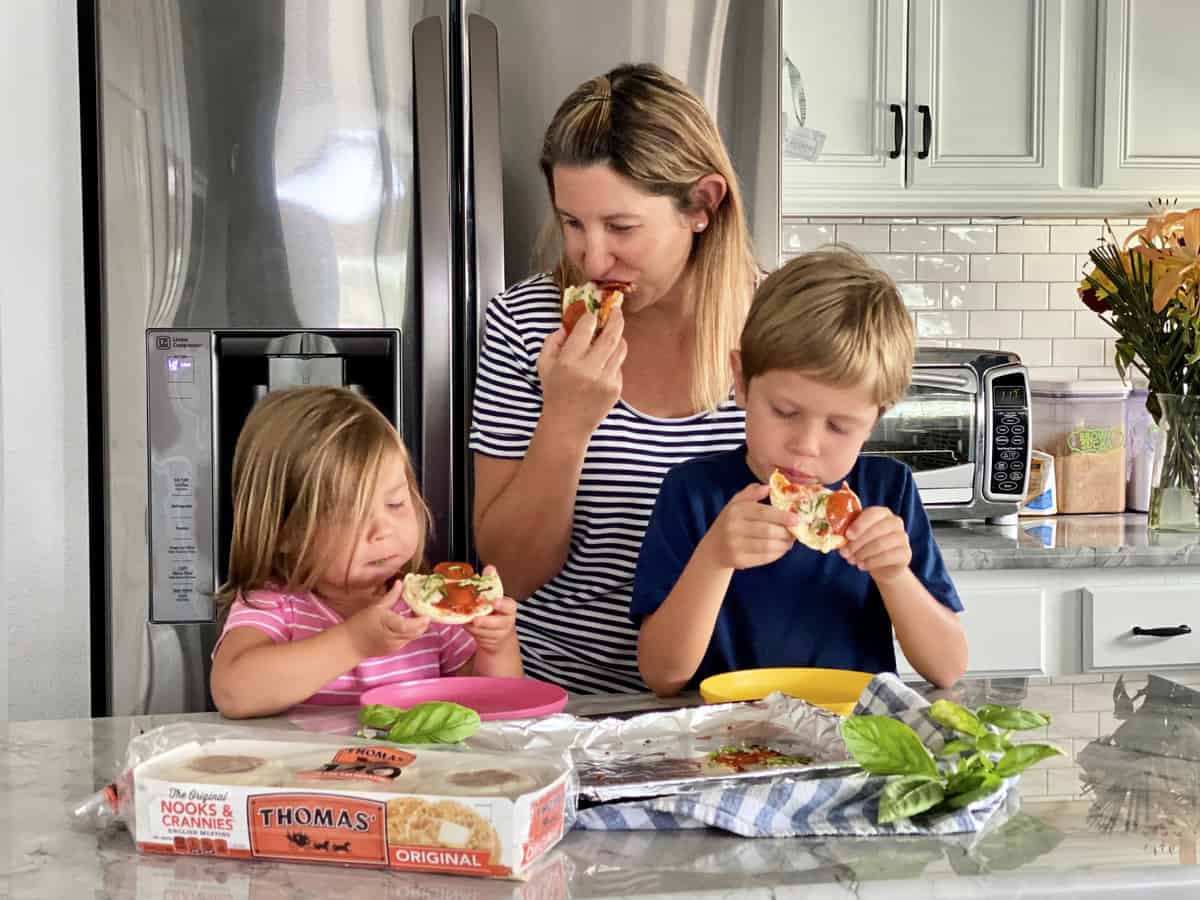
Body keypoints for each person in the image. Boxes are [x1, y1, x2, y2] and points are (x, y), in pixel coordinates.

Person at [469, 63, 760, 694]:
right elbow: (508, 576)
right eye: (572, 223)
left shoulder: (778, 330)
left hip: (738, 704)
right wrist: (566, 421)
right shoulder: (524, 322)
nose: (592, 260)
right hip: (561, 705)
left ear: (703, 205)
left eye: (621, 227)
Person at [633, 249, 968, 697]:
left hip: (855, 744)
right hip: (730, 742)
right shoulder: (692, 493)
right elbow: (662, 675)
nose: (805, 446)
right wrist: (715, 558)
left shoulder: (887, 491)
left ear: (875, 421)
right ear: (742, 382)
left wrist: (894, 575)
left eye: (838, 426)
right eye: (785, 411)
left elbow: (947, 669)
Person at [210, 387, 522, 718]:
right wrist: (354, 642)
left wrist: (496, 646)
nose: (383, 530)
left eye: (396, 504)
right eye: (352, 516)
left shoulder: (431, 608)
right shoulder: (275, 605)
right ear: (285, 533)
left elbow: (494, 706)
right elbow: (233, 693)